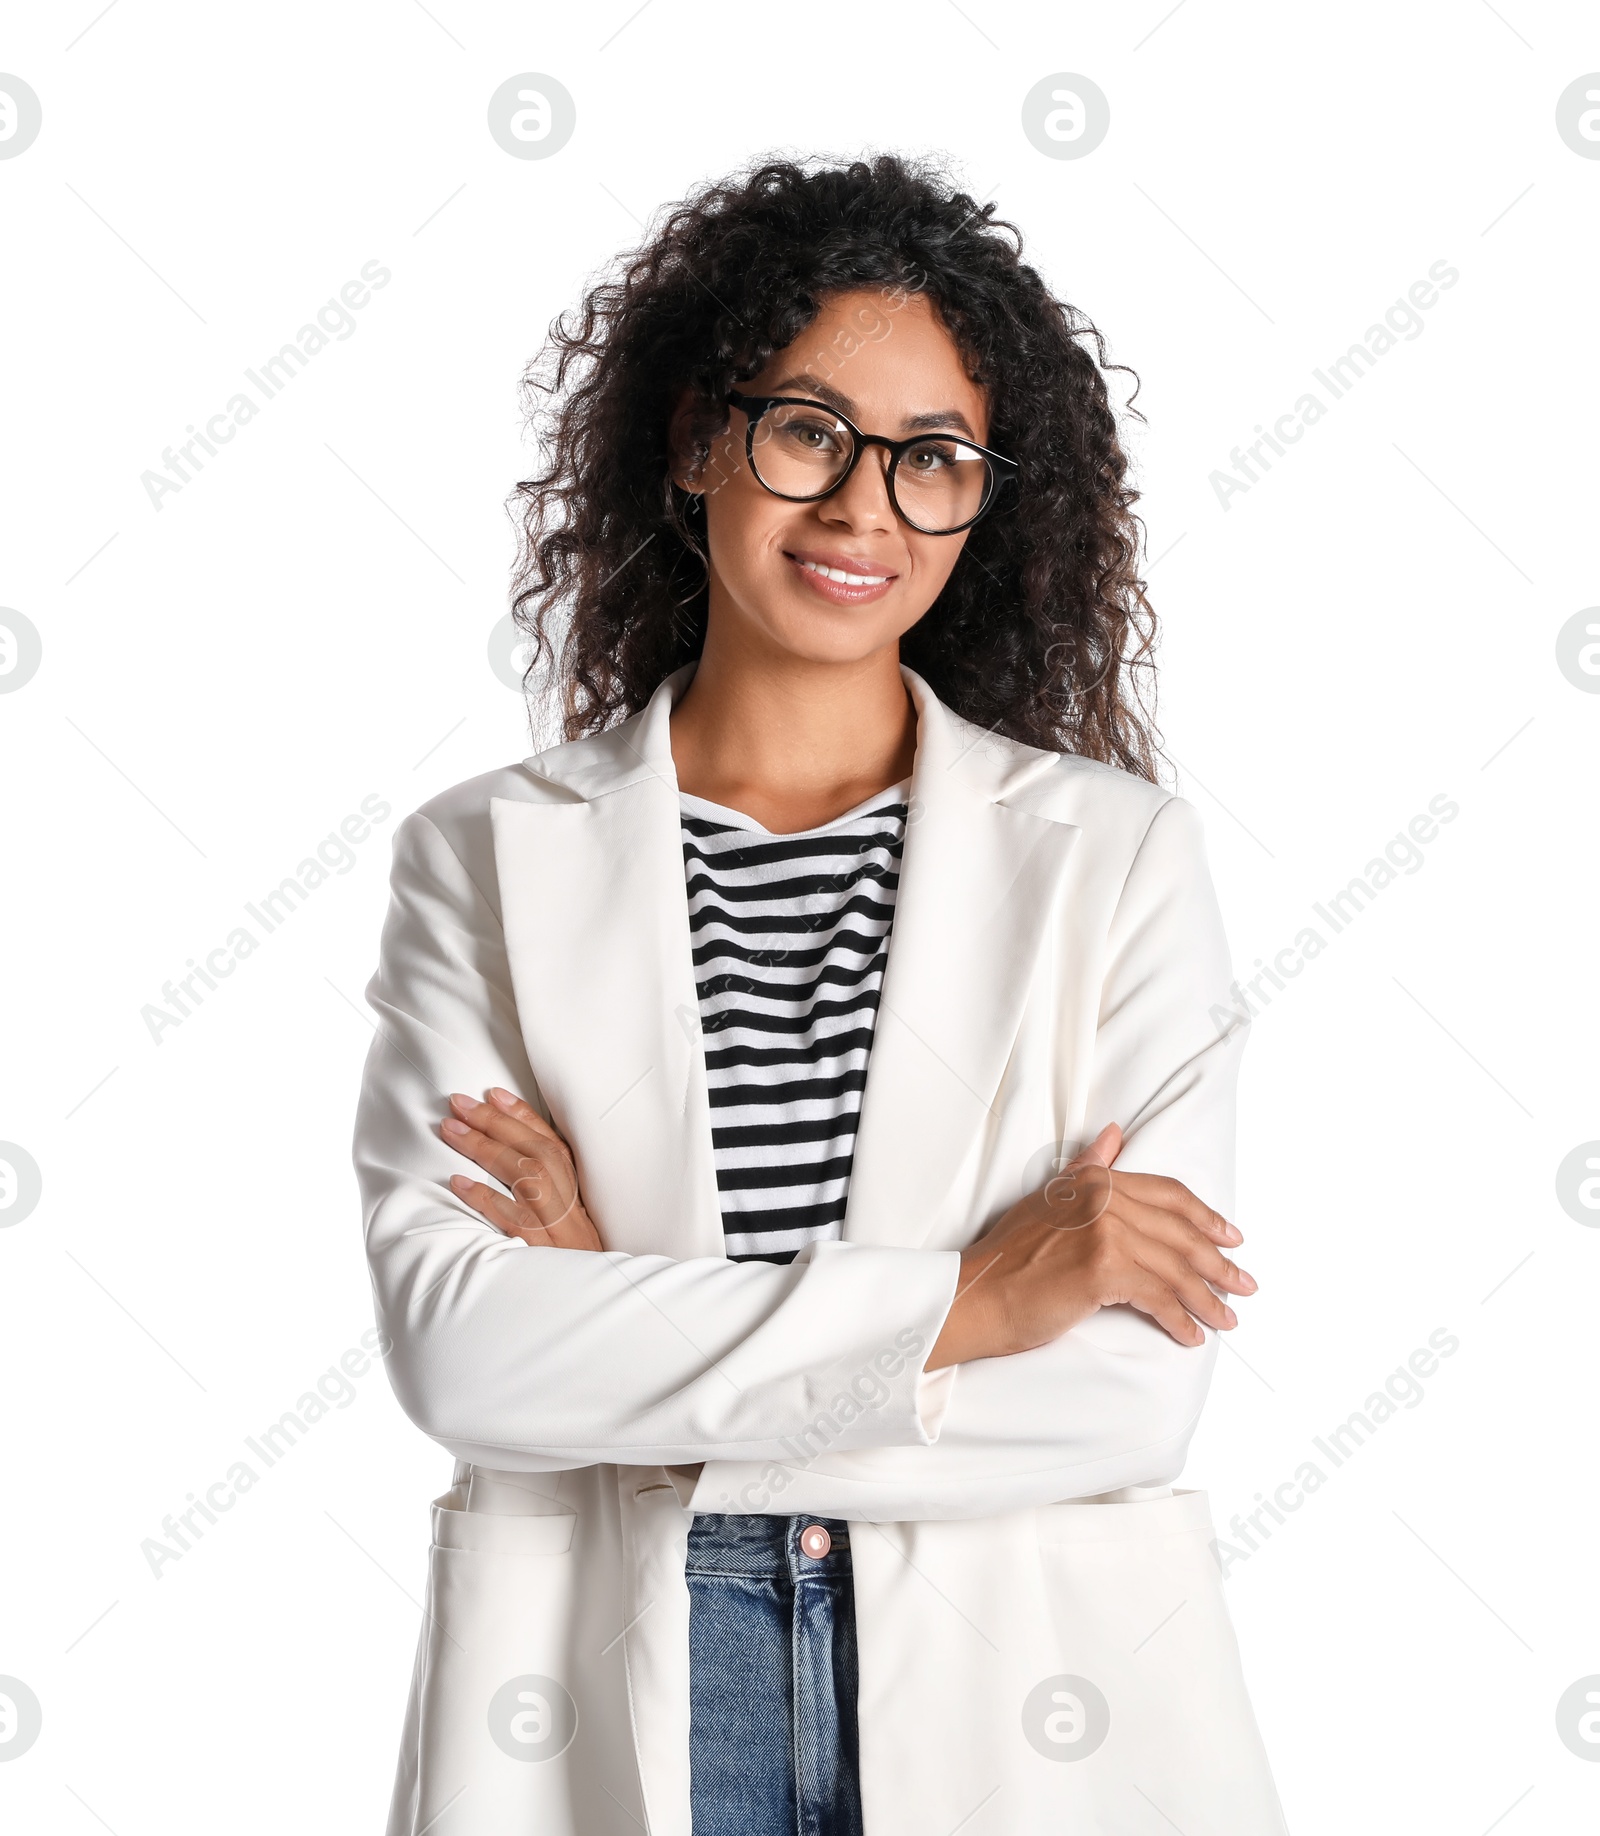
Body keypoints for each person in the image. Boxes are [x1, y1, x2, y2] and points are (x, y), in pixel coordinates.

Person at [354, 154, 1288, 1836]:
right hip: (618, 1679)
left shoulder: (1115, 862)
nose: (866, 506)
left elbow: (1125, 1392)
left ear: (984, 500)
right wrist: (973, 1307)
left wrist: (632, 1336)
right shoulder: (482, 857)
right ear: (702, 439)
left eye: (932, 458)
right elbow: (467, 1356)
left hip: (1028, 1698)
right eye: (808, 430)